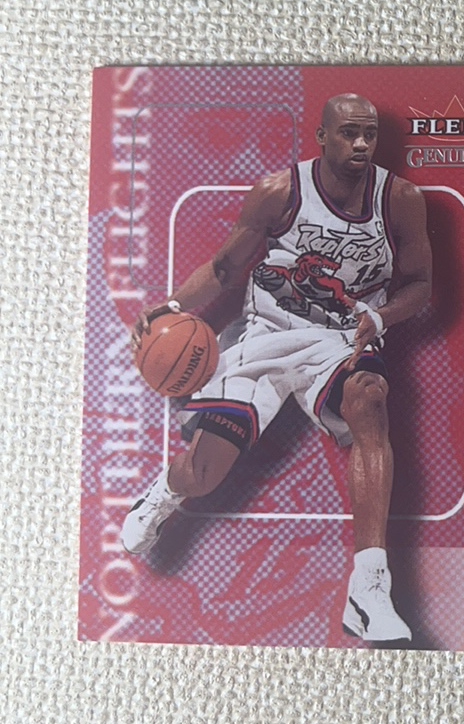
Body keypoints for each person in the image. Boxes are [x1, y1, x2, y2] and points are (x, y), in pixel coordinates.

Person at [123, 93, 431, 643]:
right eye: (349, 133)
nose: (361, 144)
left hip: (341, 336)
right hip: (266, 333)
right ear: (322, 136)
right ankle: (164, 492)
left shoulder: (400, 199)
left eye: (369, 134)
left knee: (370, 397)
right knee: (203, 475)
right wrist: (171, 307)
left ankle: (368, 587)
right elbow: (225, 267)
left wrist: (381, 317)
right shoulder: (279, 192)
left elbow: (422, 285)